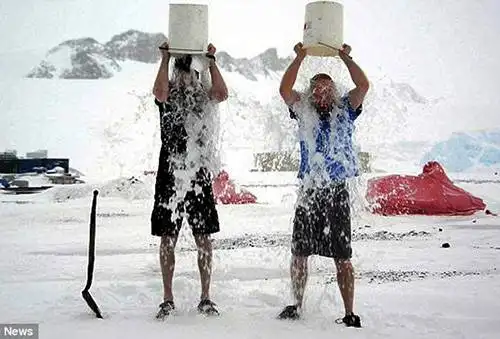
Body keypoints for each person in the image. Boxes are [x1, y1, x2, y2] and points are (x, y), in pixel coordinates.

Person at [277, 42, 369, 327]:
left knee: (342, 256)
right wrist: (299, 57)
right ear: (311, 93)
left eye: (328, 88)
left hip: (337, 191)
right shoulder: (303, 111)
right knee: (299, 252)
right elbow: (284, 90)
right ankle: (296, 304)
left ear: (334, 91)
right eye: (317, 88)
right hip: (309, 190)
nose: (323, 92)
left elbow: (363, 85)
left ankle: (350, 312)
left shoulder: (346, 111)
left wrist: (345, 57)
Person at [151, 41, 228, 320]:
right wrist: (165, 59)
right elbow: (158, 91)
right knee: (167, 237)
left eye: (189, 73)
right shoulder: (168, 94)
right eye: (180, 73)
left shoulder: (203, 96)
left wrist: (211, 62)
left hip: (198, 174)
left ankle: (206, 296)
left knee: (203, 237)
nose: (184, 79)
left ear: (196, 76)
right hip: (170, 172)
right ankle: (167, 298)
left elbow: (222, 93)